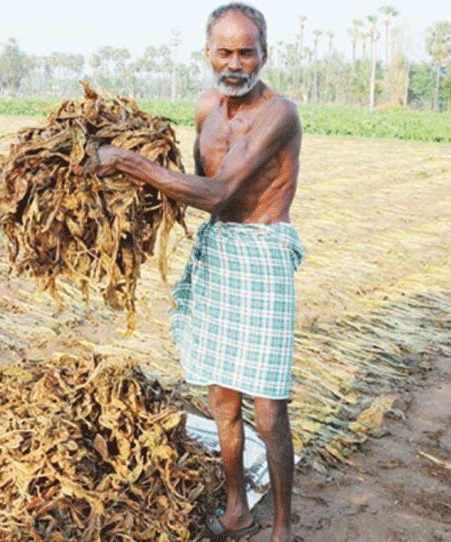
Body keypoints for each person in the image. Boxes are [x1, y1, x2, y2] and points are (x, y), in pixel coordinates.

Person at [97, 3, 304, 541]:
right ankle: (237, 509)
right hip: (219, 252)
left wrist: (126, 162)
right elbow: (193, 188)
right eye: (224, 52)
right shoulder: (205, 108)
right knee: (221, 401)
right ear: (208, 53)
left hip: (261, 256)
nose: (235, 64)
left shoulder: (278, 114)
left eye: (246, 52)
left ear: (264, 53)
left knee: (267, 413)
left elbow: (218, 191)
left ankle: (283, 528)